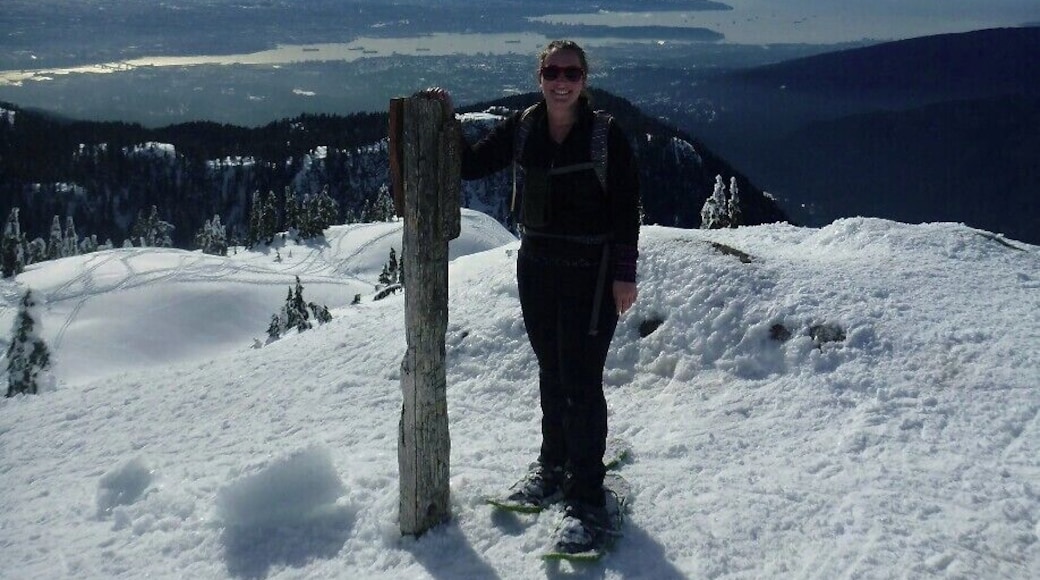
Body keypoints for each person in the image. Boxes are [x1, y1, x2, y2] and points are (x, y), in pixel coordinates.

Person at [422, 39, 640, 547]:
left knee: (581, 379)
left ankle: (587, 496)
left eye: (572, 73)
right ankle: (553, 465)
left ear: (585, 79)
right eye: (552, 71)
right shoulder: (523, 128)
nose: (561, 82)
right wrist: (446, 119)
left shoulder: (606, 136)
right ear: (539, 75)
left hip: (592, 268)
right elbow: (471, 164)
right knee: (550, 370)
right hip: (538, 264)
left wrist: (624, 274)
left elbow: (627, 207)